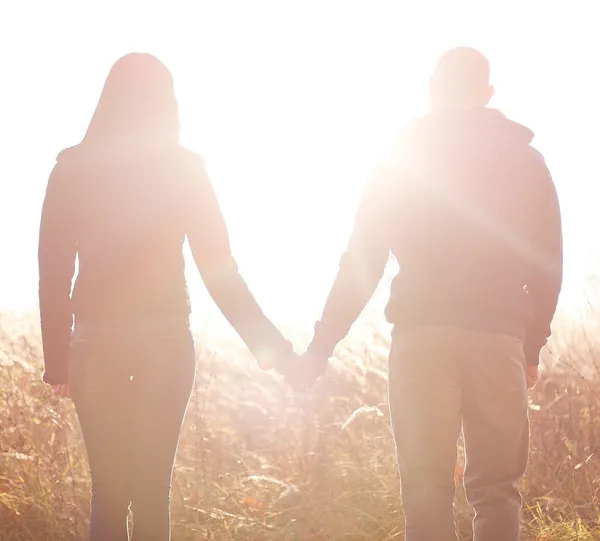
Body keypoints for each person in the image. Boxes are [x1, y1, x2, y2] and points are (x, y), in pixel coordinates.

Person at [288, 47, 563, 541]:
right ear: (488, 94)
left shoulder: (399, 161)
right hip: (499, 337)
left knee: (425, 487)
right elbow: (548, 263)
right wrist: (531, 346)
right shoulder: (528, 164)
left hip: (422, 339)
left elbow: (362, 261)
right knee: (497, 489)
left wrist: (322, 346)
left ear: (433, 88)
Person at [38, 52, 295, 541]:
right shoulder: (184, 169)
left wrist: (59, 362)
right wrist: (273, 351)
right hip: (164, 339)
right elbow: (221, 272)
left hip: (95, 342)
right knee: (153, 490)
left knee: (109, 493)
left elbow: (52, 268)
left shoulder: (71, 167)